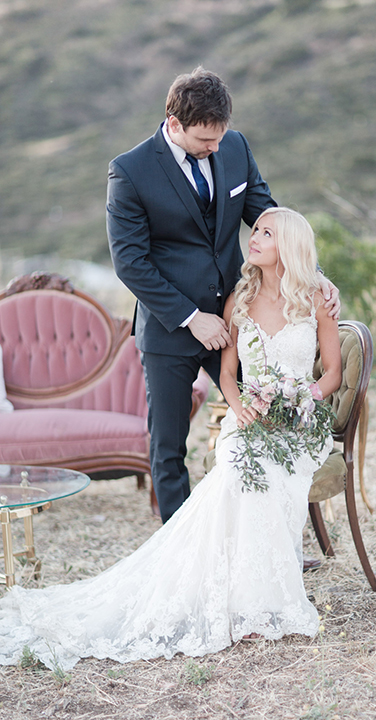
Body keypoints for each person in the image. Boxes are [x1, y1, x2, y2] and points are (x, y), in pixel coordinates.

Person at [0, 207, 341, 669]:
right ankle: (238, 598)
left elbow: (334, 374)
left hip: (300, 427)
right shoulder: (239, 299)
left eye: (266, 233)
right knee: (239, 467)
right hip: (251, 422)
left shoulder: (318, 298)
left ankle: (266, 600)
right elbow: (227, 374)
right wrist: (242, 412)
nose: (254, 237)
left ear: (292, 246)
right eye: (255, 229)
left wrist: (304, 398)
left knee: (269, 473)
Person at [106, 67, 340, 526]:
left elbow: (267, 215)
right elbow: (130, 263)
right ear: (173, 123)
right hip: (171, 330)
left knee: (265, 421)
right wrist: (192, 317)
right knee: (169, 447)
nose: (214, 148)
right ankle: (181, 549)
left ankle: (272, 537)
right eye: (203, 140)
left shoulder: (233, 146)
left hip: (240, 317)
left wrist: (313, 275)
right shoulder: (129, 171)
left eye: (219, 138)